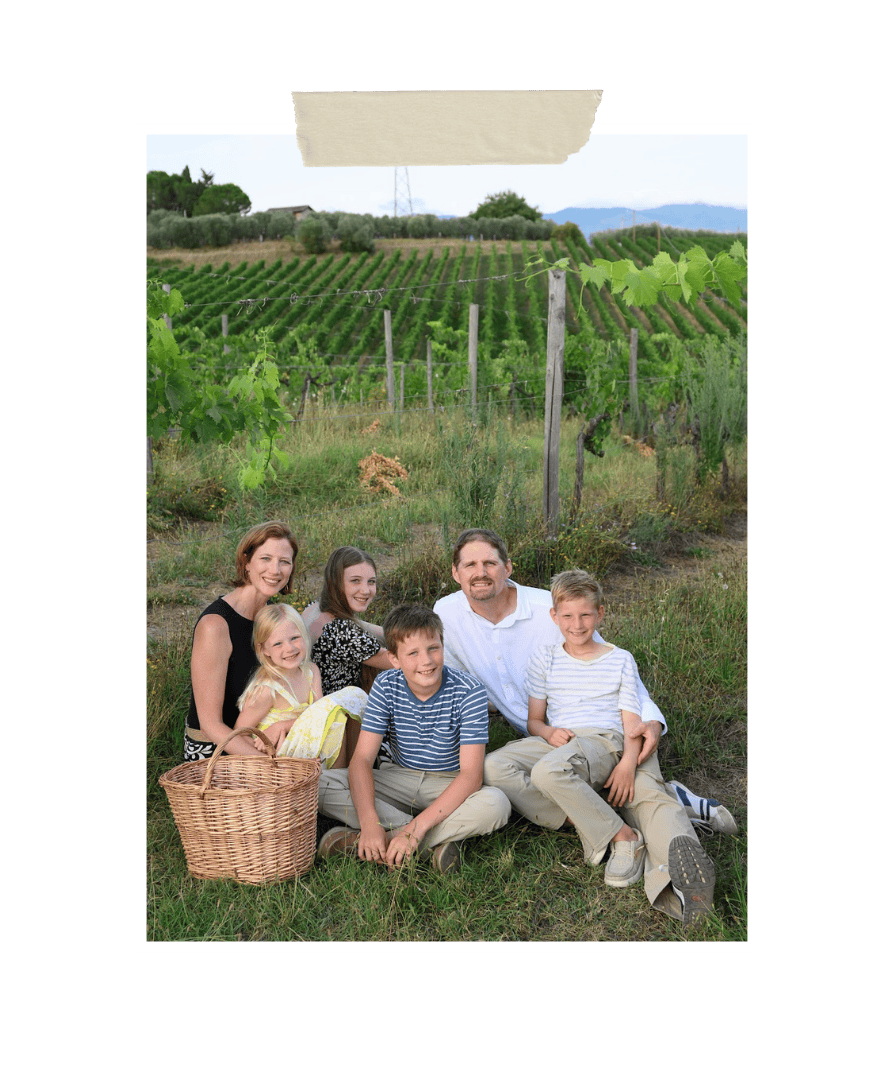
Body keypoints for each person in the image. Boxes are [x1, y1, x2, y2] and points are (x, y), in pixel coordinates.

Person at [433, 528, 732, 925]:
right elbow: (441, 671)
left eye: (490, 562)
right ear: (456, 573)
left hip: (605, 730)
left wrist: (652, 723)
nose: (480, 571)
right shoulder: (447, 614)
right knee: (500, 768)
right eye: (470, 564)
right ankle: (614, 821)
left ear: (508, 567)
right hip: (551, 738)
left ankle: (679, 887)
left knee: (644, 794)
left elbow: (613, 670)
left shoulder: (549, 608)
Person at [316, 604, 511, 873]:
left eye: (433, 648)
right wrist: (370, 820)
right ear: (394, 659)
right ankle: (435, 840)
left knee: (496, 804)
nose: (427, 661)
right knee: (320, 784)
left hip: (447, 782)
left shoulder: (470, 691)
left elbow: (471, 776)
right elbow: (361, 760)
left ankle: (376, 840)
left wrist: (415, 828)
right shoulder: (385, 685)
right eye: (413, 653)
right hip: (398, 777)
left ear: (443, 646)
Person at [491, 569, 652, 888]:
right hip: (560, 741)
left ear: (600, 613)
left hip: (602, 739)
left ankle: (626, 839)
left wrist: (628, 762)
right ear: (554, 616)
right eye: (567, 615)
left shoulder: (620, 659)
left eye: (585, 615)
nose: (576, 625)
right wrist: (548, 733)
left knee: (547, 772)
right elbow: (534, 720)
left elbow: (631, 722)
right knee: (492, 766)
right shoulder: (544, 657)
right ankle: (588, 818)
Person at [184, 521, 300, 761]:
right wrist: (272, 765)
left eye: (284, 562)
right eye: (265, 559)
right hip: (216, 750)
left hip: (259, 739)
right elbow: (210, 724)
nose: (275, 570)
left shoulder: (273, 616)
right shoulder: (215, 626)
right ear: (246, 562)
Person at [234, 603, 367, 768]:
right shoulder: (268, 689)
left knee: (338, 714)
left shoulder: (311, 671)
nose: (289, 648)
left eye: (294, 638)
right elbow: (239, 733)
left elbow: (319, 717)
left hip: (307, 748)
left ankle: (341, 774)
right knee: (338, 710)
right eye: (278, 644)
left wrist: (281, 725)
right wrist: (266, 756)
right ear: (264, 650)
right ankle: (337, 776)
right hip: (282, 758)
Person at [302, 547, 393, 695]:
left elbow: (363, 627)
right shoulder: (342, 632)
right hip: (339, 714)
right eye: (355, 581)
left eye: (371, 582)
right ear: (335, 582)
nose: (365, 590)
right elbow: (407, 663)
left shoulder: (315, 608)